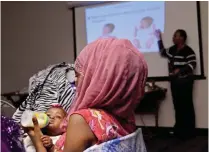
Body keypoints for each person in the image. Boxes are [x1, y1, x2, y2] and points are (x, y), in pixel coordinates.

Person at [25, 38, 148, 152]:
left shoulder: (82, 120)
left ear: (98, 80)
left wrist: (36, 140)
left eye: (78, 75)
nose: (75, 81)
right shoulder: (127, 118)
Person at [155, 29, 196, 139]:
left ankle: (189, 131)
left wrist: (180, 71)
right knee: (177, 106)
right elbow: (163, 52)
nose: (173, 38)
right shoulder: (172, 50)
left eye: (175, 36)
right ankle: (179, 130)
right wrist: (159, 38)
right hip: (175, 82)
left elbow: (192, 64)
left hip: (185, 82)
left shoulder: (188, 51)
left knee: (186, 106)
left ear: (182, 38)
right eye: (173, 36)